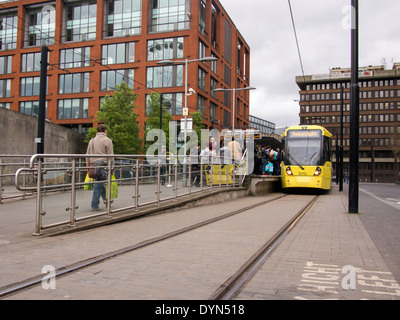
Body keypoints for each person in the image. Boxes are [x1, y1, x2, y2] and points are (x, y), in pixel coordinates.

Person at [86, 124, 114, 211]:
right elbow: (111, 155)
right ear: (105, 131)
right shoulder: (107, 140)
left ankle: (107, 201)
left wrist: (87, 166)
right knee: (99, 183)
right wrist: (112, 167)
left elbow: (87, 154)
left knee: (100, 183)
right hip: (103, 164)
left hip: (93, 164)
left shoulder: (92, 140)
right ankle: (94, 205)